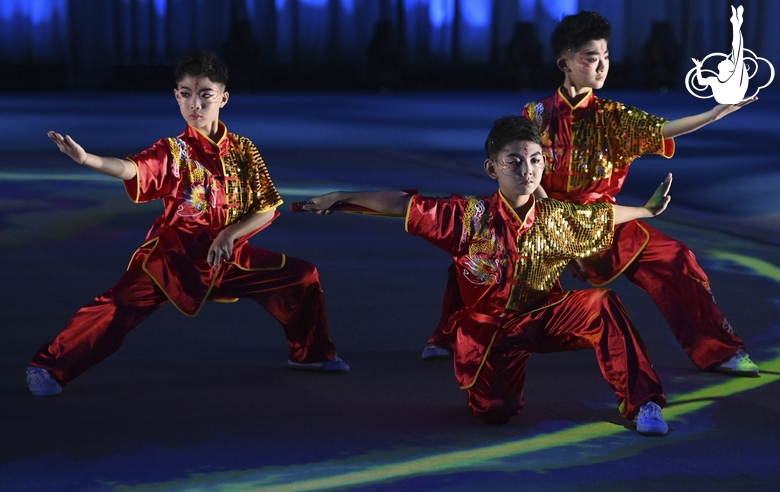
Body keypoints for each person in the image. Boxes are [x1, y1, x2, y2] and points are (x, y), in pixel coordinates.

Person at [423, 10, 759, 378]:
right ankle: (449, 335)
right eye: (590, 57)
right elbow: (527, 178)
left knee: (676, 259)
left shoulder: (614, 116)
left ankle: (719, 350)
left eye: (606, 57)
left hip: (604, 222)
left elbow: (662, 129)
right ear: (564, 62)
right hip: (544, 220)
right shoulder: (535, 114)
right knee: (477, 252)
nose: (601, 66)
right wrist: (555, 229)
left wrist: (713, 114)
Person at [298, 115, 672, 435]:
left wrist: (646, 211)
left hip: (546, 315)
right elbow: (404, 204)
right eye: (515, 161)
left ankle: (644, 404)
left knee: (602, 302)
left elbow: (603, 215)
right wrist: (340, 196)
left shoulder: (557, 215)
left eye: (536, 161)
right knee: (496, 411)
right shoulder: (468, 216)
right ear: (492, 168)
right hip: (492, 334)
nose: (527, 171)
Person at [26, 51, 348, 397]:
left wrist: (229, 234)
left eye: (205, 95)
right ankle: (47, 365)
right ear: (176, 96)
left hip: (229, 258)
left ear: (223, 98)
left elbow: (267, 207)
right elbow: (133, 169)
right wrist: (87, 159)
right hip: (174, 260)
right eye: (185, 94)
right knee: (116, 306)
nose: (194, 104)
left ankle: (310, 353)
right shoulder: (173, 151)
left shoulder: (244, 151)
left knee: (302, 277)